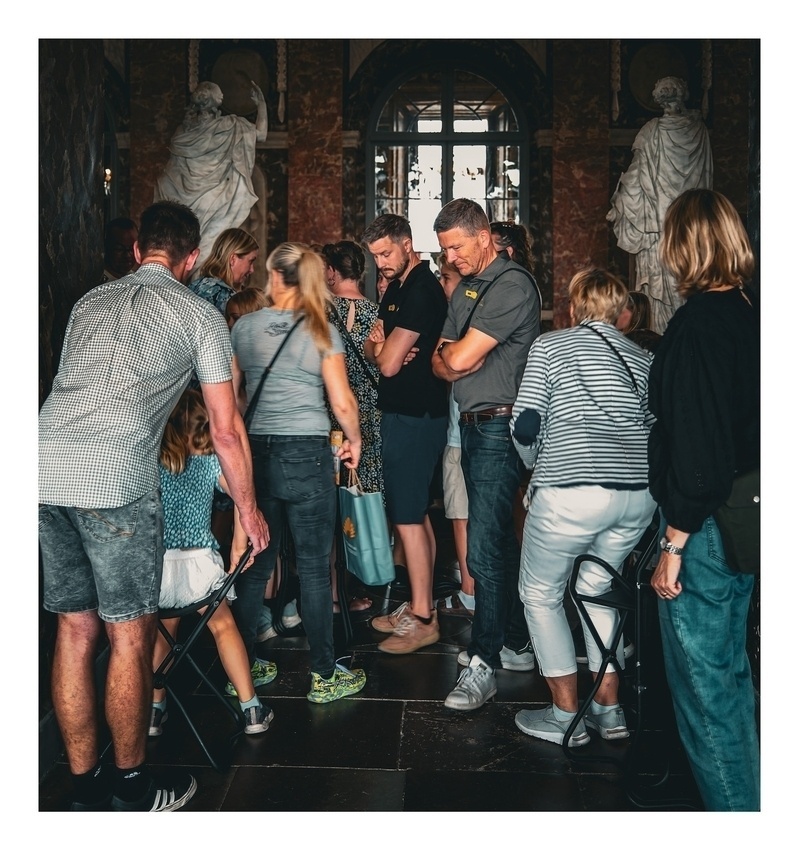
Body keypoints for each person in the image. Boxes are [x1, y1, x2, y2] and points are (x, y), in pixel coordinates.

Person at [38, 200, 269, 812]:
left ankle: (85, 787)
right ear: (192, 259)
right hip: (114, 477)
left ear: (140, 250)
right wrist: (248, 511)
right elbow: (224, 430)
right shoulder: (198, 313)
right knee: (130, 635)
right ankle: (135, 788)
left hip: (43, 466)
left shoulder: (90, 301)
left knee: (73, 627)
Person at [510, 267, 656, 746]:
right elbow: (656, 430)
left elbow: (527, 423)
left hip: (571, 491)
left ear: (574, 309)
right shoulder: (642, 356)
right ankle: (609, 710)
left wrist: (538, 470)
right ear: (622, 312)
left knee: (541, 594)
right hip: (637, 497)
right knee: (596, 588)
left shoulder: (552, 346)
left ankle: (563, 717)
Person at [647, 189, 760, 811]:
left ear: (682, 245)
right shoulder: (748, 312)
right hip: (743, 519)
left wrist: (674, 544)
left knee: (706, 691)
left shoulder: (696, 327)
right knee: (733, 676)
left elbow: (699, 453)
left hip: (706, 527)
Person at [230, 241, 367, 703]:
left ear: (274, 276)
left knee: (256, 566)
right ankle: (324, 675)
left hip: (256, 455)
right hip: (307, 453)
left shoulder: (243, 328)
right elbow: (343, 401)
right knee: (312, 567)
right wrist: (355, 440)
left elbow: (233, 399)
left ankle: (242, 668)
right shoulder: (322, 328)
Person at [432, 198, 539, 712]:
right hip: (474, 427)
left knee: (483, 551)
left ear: (484, 236)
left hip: (499, 426)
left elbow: (458, 355)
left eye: (456, 247)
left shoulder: (513, 283)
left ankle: (484, 661)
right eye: (445, 250)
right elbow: (440, 357)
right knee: (496, 542)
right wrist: (451, 358)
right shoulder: (467, 287)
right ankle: (518, 640)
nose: (451, 258)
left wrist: (453, 358)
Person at [150, 389, 273, 737]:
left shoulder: (153, 463)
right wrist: (237, 545)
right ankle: (251, 709)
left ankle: (154, 713)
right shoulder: (209, 463)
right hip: (200, 566)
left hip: (161, 568)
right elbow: (240, 493)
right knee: (223, 628)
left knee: (165, 631)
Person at [362, 214, 448, 654]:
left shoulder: (420, 290)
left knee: (408, 518)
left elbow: (389, 363)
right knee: (414, 514)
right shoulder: (395, 286)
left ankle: (423, 619)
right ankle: (420, 602)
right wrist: (382, 345)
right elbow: (371, 347)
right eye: (375, 256)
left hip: (419, 416)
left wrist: (383, 348)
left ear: (407, 243)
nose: (381, 263)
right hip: (401, 412)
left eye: (386, 253)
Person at [607, 76, 713, 334]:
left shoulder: (655, 132)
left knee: (667, 285)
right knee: (682, 280)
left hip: (665, 228)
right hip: (685, 228)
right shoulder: (695, 131)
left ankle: (667, 335)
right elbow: (707, 180)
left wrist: (620, 202)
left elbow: (635, 176)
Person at [154, 80, 267, 270]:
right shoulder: (230, 125)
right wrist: (262, 106)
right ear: (216, 101)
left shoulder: (183, 132)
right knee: (209, 254)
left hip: (186, 201)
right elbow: (261, 134)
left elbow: (171, 174)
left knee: (187, 253)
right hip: (218, 202)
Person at [436, 254, 474, 615]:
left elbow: (448, 364)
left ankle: (469, 592)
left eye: (445, 279)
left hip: (461, 436)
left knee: (462, 517)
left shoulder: (464, 319)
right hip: (460, 431)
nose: (441, 286)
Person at [190, 227, 260, 314]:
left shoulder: (196, 285)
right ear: (232, 259)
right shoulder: (228, 298)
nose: (252, 270)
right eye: (250, 261)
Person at [102, 217, 139, 282]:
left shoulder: (136, 279)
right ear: (106, 247)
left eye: (131, 249)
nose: (127, 255)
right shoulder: (100, 283)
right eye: (120, 249)